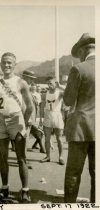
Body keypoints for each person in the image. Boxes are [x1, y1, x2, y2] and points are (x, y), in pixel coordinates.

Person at [0, 52, 33, 203]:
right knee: (3, 158)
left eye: (10, 63)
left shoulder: (21, 82)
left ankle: (25, 190)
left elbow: (30, 107)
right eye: (4, 62)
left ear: (14, 65)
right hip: (2, 121)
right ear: (0, 64)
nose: (7, 65)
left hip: (17, 120)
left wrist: (24, 122)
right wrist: (1, 120)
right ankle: (4, 188)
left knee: (21, 158)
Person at [64, 33, 95, 203]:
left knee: (74, 173)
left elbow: (68, 100)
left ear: (83, 50)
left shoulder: (79, 68)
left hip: (80, 130)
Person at [40, 77, 65, 165]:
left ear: (55, 84)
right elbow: (42, 106)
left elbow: (70, 92)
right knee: (47, 139)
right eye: (48, 84)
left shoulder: (60, 93)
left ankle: (61, 157)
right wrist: (40, 119)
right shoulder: (44, 94)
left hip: (57, 116)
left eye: (51, 83)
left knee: (59, 139)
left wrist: (60, 86)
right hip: (47, 116)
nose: (49, 85)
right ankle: (48, 156)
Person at [22, 71, 45, 153]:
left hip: (30, 118)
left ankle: (23, 159)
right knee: (24, 138)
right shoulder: (23, 88)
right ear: (25, 77)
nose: (32, 81)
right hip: (26, 118)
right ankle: (22, 160)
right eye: (30, 78)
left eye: (32, 79)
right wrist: (27, 119)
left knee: (26, 138)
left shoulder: (27, 88)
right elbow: (23, 105)